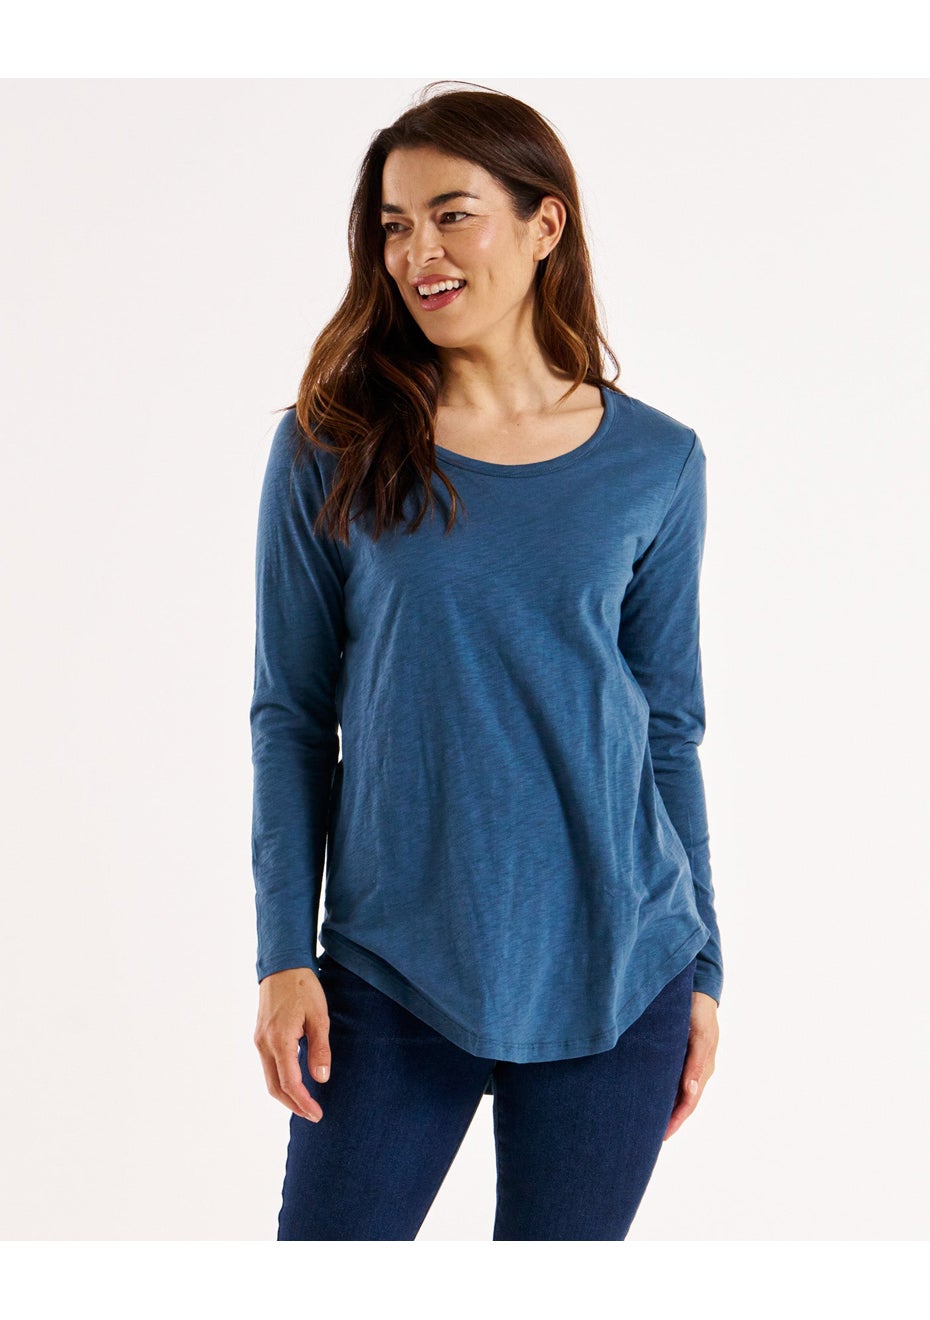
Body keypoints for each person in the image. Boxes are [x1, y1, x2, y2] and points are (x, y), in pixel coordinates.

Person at [249, 81, 723, 1241]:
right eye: (395, 226)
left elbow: (667, 729)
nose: (419, 252)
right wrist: (281, 955)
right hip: (391, 967)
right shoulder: (330, 444)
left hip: (623, 966)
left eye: (452, 215)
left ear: (543, 223)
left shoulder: (658, 463)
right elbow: (292, 716)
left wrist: (706, 965)